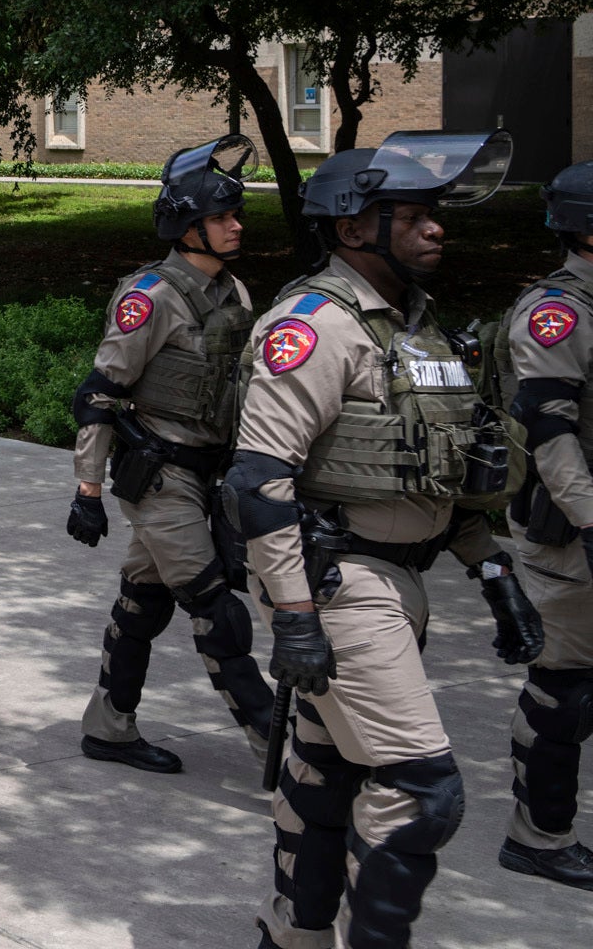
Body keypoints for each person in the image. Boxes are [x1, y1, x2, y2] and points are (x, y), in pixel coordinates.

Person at [231, 132, 544, 949]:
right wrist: (294, 615)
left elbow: (448, 467)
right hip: (339, 583)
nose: (437, 229)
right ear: (352, 227)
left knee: (328, 773)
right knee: (421, 790)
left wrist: (495, 571)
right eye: (415, 215)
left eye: (438, 215)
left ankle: (292, 935)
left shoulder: (418, 329)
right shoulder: (313, 327)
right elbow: (257, 484)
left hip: (403, 580)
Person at [68, 137, 273, 772]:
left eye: (235, 216)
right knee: (215, 606)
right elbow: (100, 396)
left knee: (143, 600)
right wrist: (88, 491)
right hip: (160, 477)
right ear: (188, 227)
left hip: (210, 471)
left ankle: (109, 727)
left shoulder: (234, 293)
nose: (236, 225)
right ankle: (278, 746)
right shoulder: (149, 297)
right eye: (221, 217)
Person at [489, 158, 593, 890]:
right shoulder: (556, 313)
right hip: (568, 534)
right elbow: (552, 438)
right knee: (564, 688)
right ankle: (539, 837)